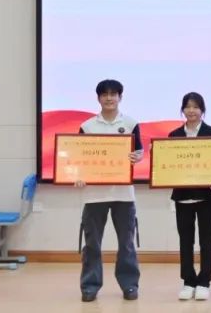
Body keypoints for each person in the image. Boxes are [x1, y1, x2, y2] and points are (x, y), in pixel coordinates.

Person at [77, 79, 143, 303]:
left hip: (123, 194)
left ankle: (129, 284)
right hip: (94, 195)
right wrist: (77, 175)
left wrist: (137, 157)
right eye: (104, 94)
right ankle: (90, 286)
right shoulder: (87, 126)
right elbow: (79, 158)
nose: (109, 98)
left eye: (113, 94)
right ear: (98, 98)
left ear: (120, 97)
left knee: (126, 243)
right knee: (92, 244)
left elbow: (139, 152)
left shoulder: (131, 124)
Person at [167, 92, 211, 301]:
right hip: (183, 195)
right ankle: (188, 281)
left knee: (207, 241)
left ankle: (204, 281)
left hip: (206, 195)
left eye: (196, 107)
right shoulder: (173, 135)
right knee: (185, 241)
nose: (191, 111)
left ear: (202, 110)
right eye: (188, 107)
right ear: (183, 110)